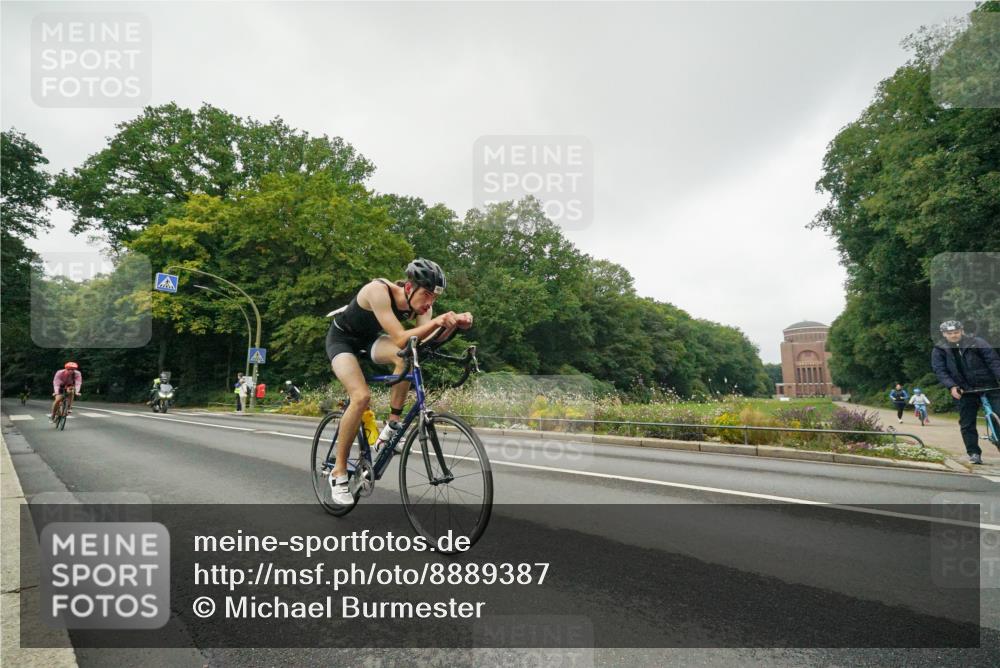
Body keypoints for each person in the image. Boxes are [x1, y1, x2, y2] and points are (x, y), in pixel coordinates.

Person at [324, 258, 472, 505]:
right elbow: (402, 337)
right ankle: (338, 472)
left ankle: (392, 428)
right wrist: (437, 321)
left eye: (434, 299)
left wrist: (453, 325)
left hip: (370, 341)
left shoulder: (423, 308)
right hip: (342, 341)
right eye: (426, 295)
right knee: (361, 397)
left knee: (407, 357)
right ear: (409, 286)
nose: (429, 303)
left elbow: (421, 343)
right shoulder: (377, 291)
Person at [931, 320, 1000, 465]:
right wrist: (951, 386)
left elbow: (993, 361)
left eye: (956, 332)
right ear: (944, 334)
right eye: (950, 333)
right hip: (963, 390)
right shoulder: (939, 349)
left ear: (961, 331)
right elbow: (940, 371)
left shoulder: (977, 342)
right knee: (967, 423)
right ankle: (974, 453)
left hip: (988, 385)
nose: (954, 335)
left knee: (998, 415)